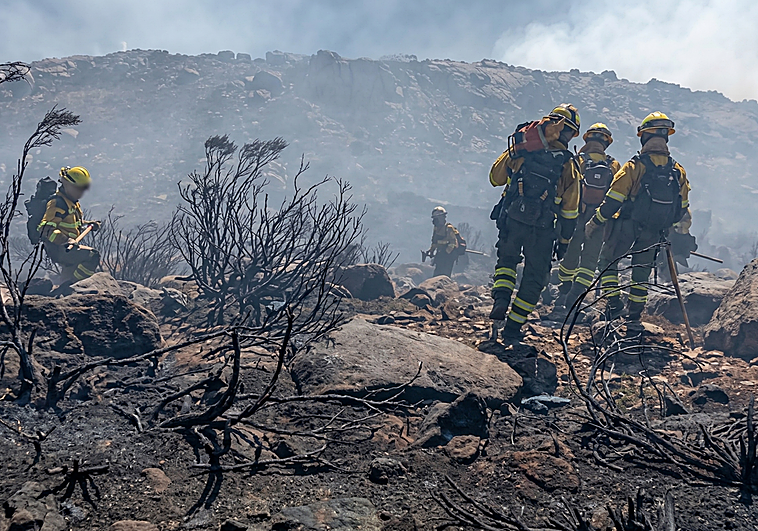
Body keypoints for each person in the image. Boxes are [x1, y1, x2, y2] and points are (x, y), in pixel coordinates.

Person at [585, 112, 690, 328]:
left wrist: (595, 222)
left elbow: (613, 201)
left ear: (643, 136)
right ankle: (634, 317)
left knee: (607, 262)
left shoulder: (634, 167)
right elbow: (682, 210)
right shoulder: (677, 171)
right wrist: (673, 231)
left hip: (626, 226)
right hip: (655, 231)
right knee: (640, 273)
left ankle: (614, 304)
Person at [489, 104, 582, 340]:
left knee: (507, 263)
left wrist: (513, 152)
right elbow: (570, 211)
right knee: (535, 278)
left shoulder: (521, 151)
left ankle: (500, 300)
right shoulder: (569, 166)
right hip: (542, 230)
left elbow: (495, 178)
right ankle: (513, 327)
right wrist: (563, 241)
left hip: (511, 219)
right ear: (570, 134)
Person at [554, 123, 621, 311]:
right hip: (601, 219)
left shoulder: (577, 160)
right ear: (606, 143)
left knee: (570, 253)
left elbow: (565, 186)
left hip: (576, 214)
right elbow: (618, 193)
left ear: (587, 139)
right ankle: (576, 296)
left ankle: (564, 291)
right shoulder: (614, 164)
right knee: (590, 258)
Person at [38, 166, 101, 290]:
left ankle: (65, 286)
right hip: (60, 248)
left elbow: (69, 222)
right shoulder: (57, 203)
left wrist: (88, 224)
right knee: (92, 256)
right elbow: (45, 229)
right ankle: (74, 285)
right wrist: (65, 240)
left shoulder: (70, 201)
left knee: (72, 268)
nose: (82, 192)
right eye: (79, 188)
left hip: (69, 246)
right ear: (67, 185)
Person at [426, 206, 464, 277]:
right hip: (441, 254)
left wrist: (445, 254)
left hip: (449, 256)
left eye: (436, 218)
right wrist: (431, 251)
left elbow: (453, 243)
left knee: (445, 274)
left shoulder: (449, 228)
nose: (435, 220)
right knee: (437, 274)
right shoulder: (436, 228)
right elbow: (434, 242)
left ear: (442, 218)